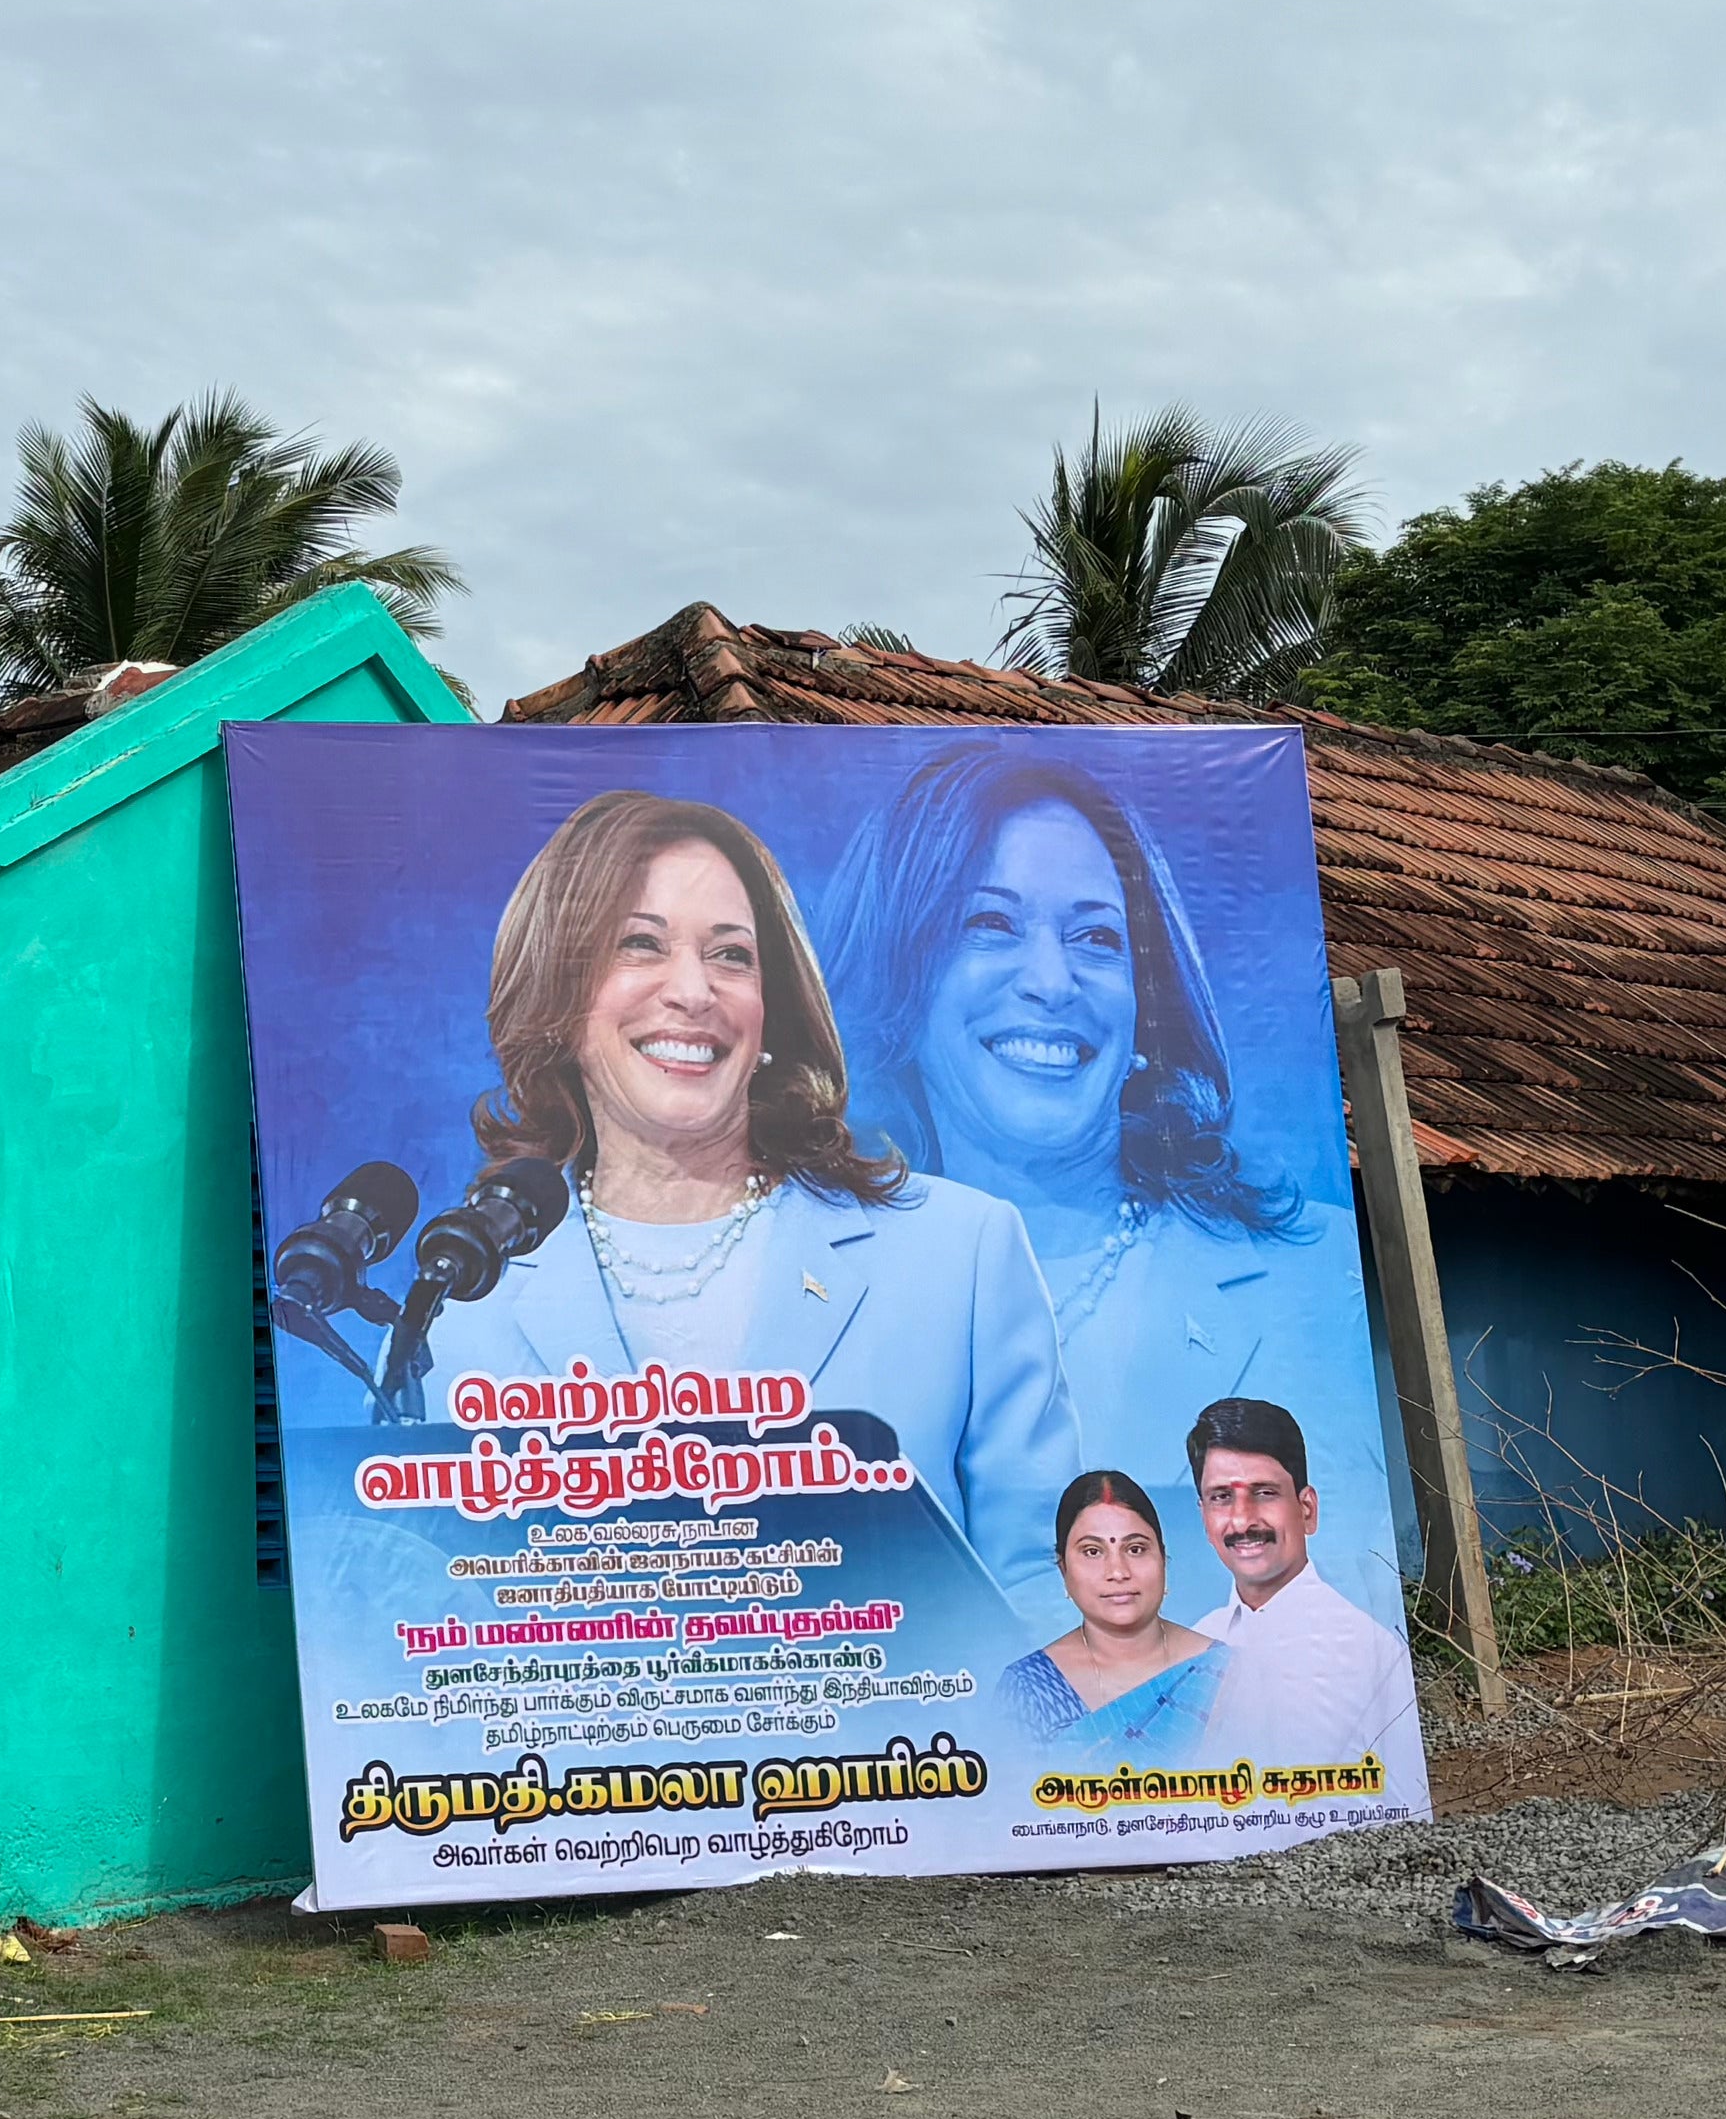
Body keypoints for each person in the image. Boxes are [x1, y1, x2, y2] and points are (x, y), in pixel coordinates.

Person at [441, 785, 1078, 1573]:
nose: (693, 991)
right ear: (559, 996)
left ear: (771, 1007)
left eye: (731, 954)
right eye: (638, 944)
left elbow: (1053, 1589)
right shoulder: (466, 1298)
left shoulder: (963, 1254)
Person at [821, 745, 1365, 1494]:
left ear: (1147, 999)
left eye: (1097, 938)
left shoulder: (1313, 1274)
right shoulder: (795, 1289)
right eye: (990, 922)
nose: (1051, 981)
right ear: (899, 980)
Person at [1183, 1394, 1417, 1765]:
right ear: (1204, 1517)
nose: (1242, 1521)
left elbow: (1407, 1810)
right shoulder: (1193, 1655)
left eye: (1264, 1493)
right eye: (1221, 1497)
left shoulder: (1373, 1652)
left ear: (1306, 1510)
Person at [998, 1466, 1220, 1747]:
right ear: (1063, 1568)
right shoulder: (1028, 1688)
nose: (1117, 1571)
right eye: (1092, 1551)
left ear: (1163, 1559)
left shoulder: (1223, 1672)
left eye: (1136, 1549)